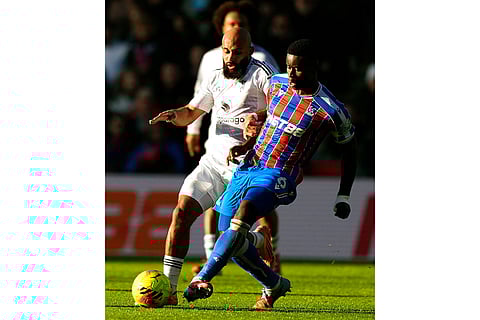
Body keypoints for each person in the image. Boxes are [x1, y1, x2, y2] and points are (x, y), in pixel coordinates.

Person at [183, 39, 357, 310]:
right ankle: (273, 283)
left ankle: (202, 279)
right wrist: (246, 142)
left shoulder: (330, 109)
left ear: (314, 67)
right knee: (230, 240)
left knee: (243, 215)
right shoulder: (276, 84)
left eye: (299, 69)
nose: (292, 75)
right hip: (248, 166)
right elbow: (267, 120)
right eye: (288, 68)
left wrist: (343, 195)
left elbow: (350, 151)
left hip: (281, 175)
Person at [149, 28, 278, 305]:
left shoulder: (262, 75)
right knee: (181, 213)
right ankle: (169, 291)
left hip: (246, 170)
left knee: (228, 238)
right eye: (226, 51)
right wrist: (174, 115)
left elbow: (280, 109)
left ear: (250, 51)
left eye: (237, 52)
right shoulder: (216, 76)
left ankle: (257, 240)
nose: (230, 58)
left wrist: (260, 118)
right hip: (212, 164)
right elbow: (192, 112)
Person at [185, 0, 282, 274]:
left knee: (260, 203)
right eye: (231, 23)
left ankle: (273, 253)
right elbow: (200, 95)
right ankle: (211, 255)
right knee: (210, 196)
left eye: (242, 24)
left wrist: (260, 126)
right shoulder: (209, 59)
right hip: (219, 136)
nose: (236, 27)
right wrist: (192, 129)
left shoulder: (262, 60)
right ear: (221, 28)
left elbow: (275, 97)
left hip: (253, 147)